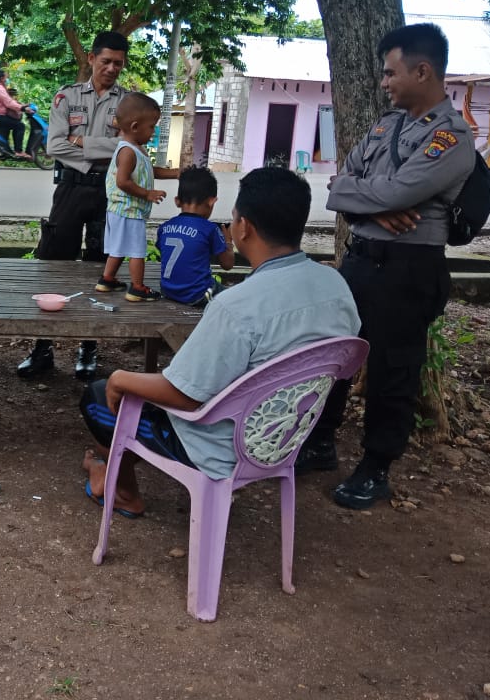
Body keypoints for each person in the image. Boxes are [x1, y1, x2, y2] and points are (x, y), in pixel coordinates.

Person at [79, 167, 359, 517]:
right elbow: (346, 362)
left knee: (100, 395)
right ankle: (116, 472)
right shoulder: (336, 286)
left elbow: (183, 393)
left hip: (221, 446)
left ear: (244, 228)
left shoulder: (236, 305)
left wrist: (120, 378)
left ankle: (121, 491)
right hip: (286, 438)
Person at [299, 23, 474, 510]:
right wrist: (368, 206)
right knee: (335, 353)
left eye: (390, 73)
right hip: (360, 259)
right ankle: (320, 443)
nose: (384, 82)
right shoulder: (385, 126)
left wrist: (361, 197)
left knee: (394, 367)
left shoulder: (450, 138)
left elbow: (389, 192)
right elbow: (336, 186)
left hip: (408, 267)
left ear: (423, 71)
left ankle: (376, 467)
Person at [18, 31, 130, 381]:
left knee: (100, 270)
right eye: (106, 61)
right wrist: (100, 149)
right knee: (54, 266)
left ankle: (88, 349)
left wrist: (81, 142)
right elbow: (54, 146)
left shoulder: (128, 103)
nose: (111, 68)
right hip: (68, 190)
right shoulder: (66, 97)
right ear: (92, 59)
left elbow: (127, 147)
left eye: (118, 64)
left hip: (107, 193)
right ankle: (42, 348)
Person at [94, 92, 175, 301]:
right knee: (137, 250)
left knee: (119, 247)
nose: (154, 131)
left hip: (121, 210)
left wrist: (176, 173)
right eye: (151, 126)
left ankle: (107, 279)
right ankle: (137, 288)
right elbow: (122, 181)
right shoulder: (128, 151)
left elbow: (151, 170)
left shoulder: (137, 149)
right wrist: (147, 194)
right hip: (129, 210)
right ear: (135, 126)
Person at [155, 167, 236, 306]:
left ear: (177, 201)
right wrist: (228, 241)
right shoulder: (209, 229)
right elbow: (228, 264)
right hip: (197, 294)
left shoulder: (164, 228)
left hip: (167, 291)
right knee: (235, 299)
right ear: (212, 201)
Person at [0, 69, 31, 160]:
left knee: (9, 126)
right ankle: (18, 151)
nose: (7, 79)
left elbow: (9, 101)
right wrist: (22, 108)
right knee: (20, 126)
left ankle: (4, 151)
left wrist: (21, 105)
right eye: (6, 77)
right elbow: (8, 102)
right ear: (2, 78)